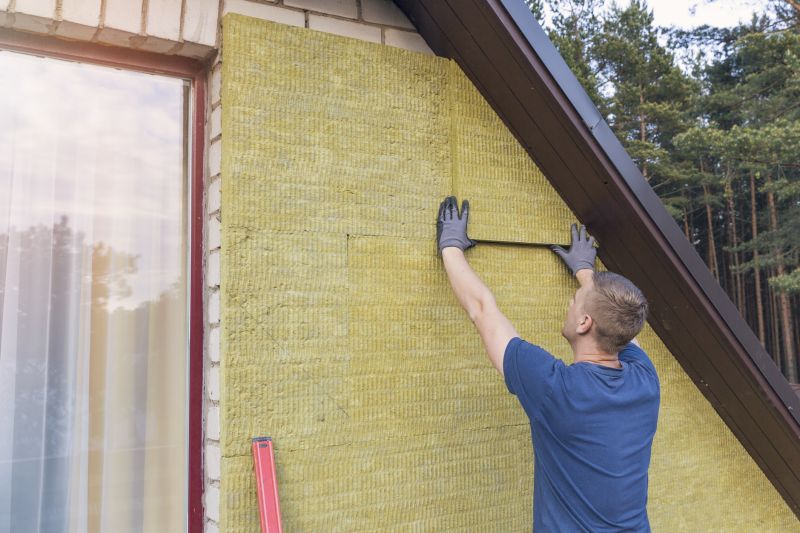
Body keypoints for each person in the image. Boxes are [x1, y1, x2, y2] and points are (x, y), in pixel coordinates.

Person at [437, 196, 660, 532]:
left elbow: (483, 310)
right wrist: (586, 273)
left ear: (584, 322)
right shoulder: (645, 380)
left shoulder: (556, 390)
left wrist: (450, 247)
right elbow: (622, 325)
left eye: (574, 303)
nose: (569, 306)